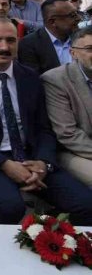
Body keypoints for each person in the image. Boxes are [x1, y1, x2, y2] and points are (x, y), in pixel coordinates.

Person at [0, 17, 92, 225]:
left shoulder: (30, 77)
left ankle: (48, 237)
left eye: (10, 40)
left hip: (30, 157)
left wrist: (43, 162)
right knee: (8, 206)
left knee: (86, 204)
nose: (4, 47)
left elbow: (44, 129)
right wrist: (5, 164)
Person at [40, 26, 92, 186]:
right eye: (90, 49)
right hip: (74, 151)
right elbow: (67, 134)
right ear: (73, 53)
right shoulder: (55, 80)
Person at [17, 0, 80, 74]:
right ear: (52, 22)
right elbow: (33, 78)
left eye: (77, 13)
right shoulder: (29, 44)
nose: (78, 18)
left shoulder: (84, 38)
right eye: (72, 15)